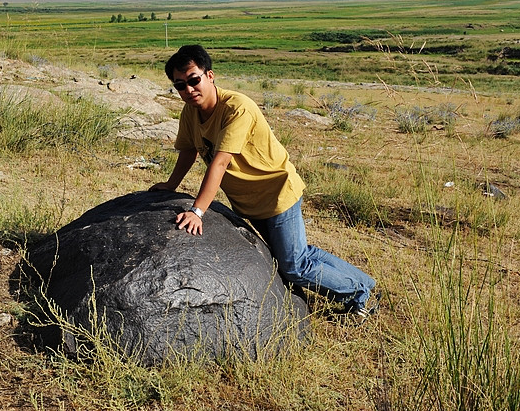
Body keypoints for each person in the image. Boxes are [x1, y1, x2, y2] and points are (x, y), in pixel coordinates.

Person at [149, 44, 379, 321]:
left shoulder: (237, 108)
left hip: (277, 194)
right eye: (180, 85)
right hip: (249, 201)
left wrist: (197, 211)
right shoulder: (191, 112)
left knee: (293, 267)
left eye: (193, 80)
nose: (188, 90)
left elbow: (220, 162)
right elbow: (189, 149)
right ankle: (365, 284)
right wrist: (171, 184)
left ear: (210, 76)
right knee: (298, 256)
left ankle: (359, 294)